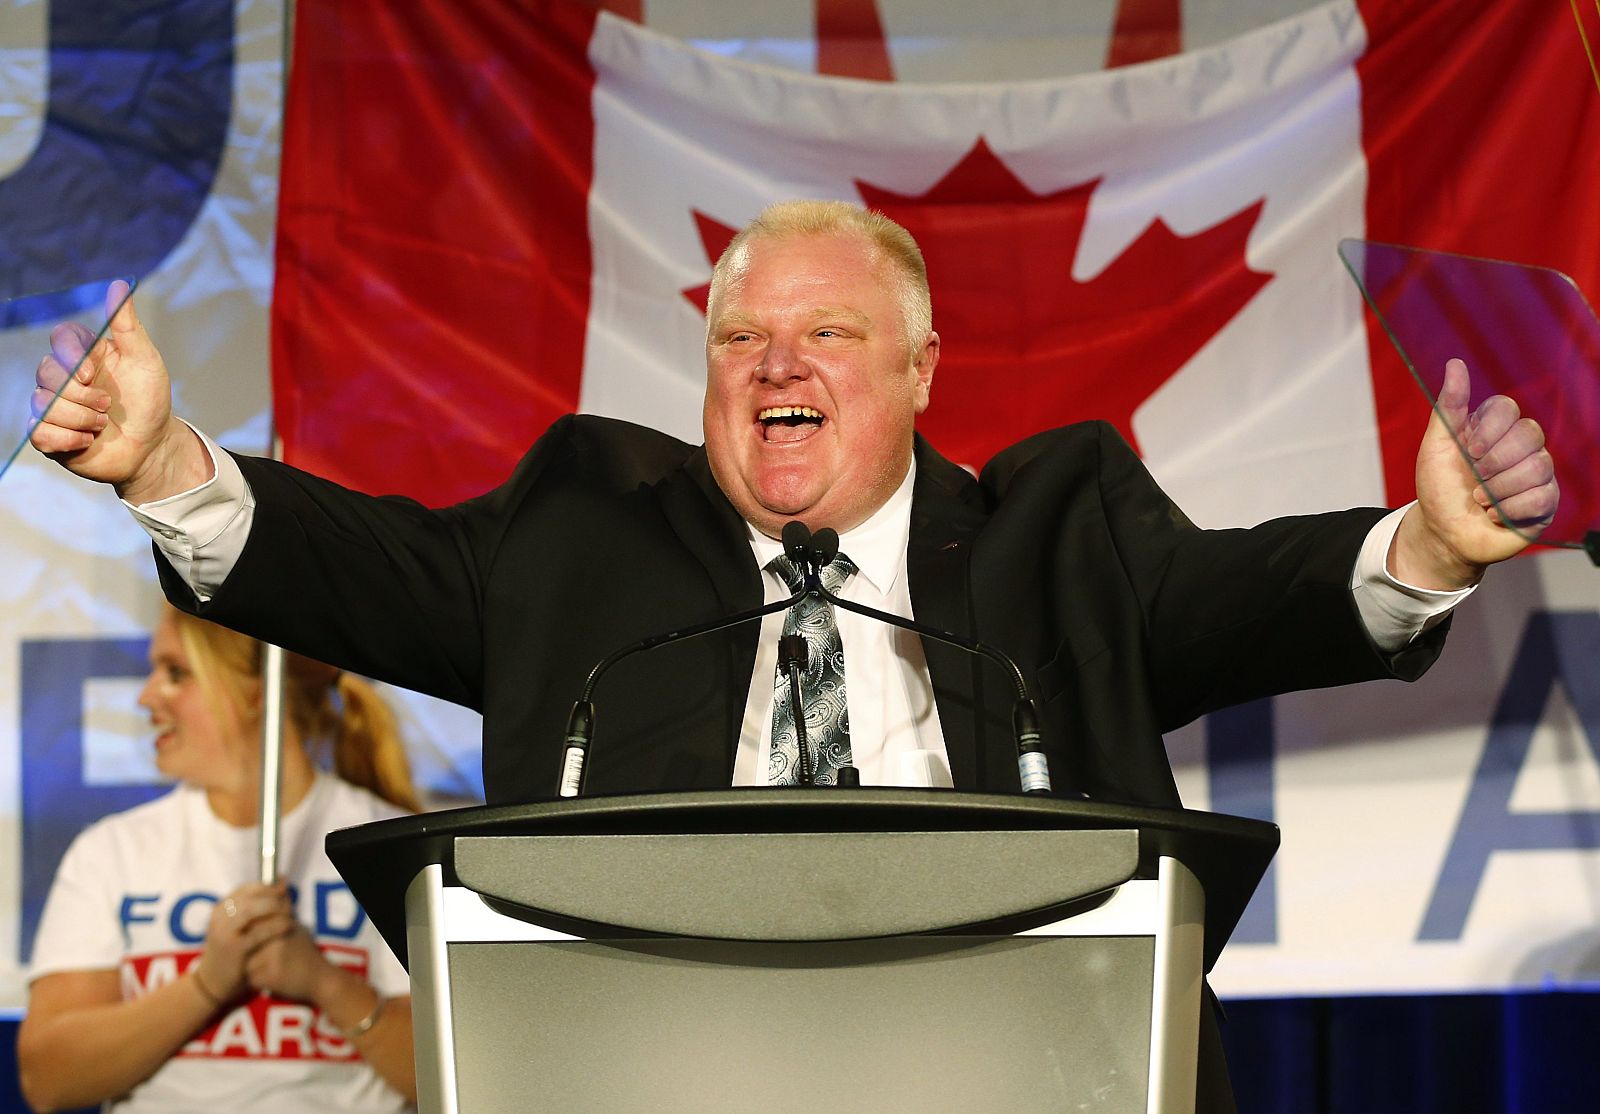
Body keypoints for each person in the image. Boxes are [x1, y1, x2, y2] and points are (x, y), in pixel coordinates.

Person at [27, 200, 1557, 1110]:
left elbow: (1253, 594)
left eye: (825, 335)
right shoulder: (584, 527)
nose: (774, 364)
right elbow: (371, 571)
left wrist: (1419, 548)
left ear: (918, 371)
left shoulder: (1061, 526)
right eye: (741, 336)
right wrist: (167, 462)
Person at [17, 606, 420, 1113]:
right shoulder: (113, 853)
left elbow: (460, 1076)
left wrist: (325, 983)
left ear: (259, 692)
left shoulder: (388, 847)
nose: (146, 697)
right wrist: (208, 983)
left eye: (176, 673)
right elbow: (48, 1079)